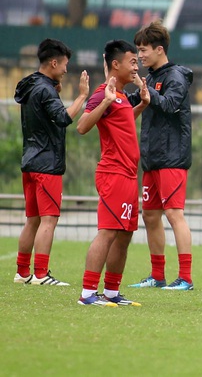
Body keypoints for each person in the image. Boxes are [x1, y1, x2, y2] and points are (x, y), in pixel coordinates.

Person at [76, 40, 149, 307]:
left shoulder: (119, 96)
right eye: (132, 61)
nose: (136, 66)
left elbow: (122, 123)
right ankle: (87, 294)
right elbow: (82, 126)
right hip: (113, 174)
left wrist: (141, 105)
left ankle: (111, 292)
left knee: (125, 233)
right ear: (115, 65)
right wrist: (104, 101)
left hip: (129, 175)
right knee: (107, 232)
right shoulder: (103, 93)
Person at [13, 39, 89, 286]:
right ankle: (42, 274)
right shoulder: (45, 89)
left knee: (32, 219)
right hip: (47, 165)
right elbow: (63, 118)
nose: (67, 69)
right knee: (48, 219)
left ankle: (22, 272)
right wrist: (82, 97)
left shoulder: (32, 85)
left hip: (30, 161)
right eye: (65, 64)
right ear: (54, 62)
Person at [127, 20, 195, 291]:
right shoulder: (150, 78)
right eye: (137, 51)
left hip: (172, 157)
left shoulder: (175, 76)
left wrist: (146, 94)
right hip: (152, 158)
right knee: (150, 215)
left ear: (158, 49)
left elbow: (169, 104)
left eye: (143, 50)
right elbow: (135, 102)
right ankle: (157, 276)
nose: (140, 55)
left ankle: (186, 278)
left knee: (174, 214)